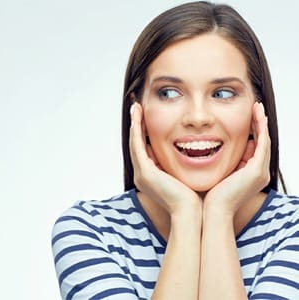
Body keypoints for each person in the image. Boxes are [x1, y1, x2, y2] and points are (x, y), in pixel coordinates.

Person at [52, 1, 299, 299]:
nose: (197, 117)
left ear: (256, 110)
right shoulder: (90, 230)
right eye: (169, 93)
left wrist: (219, 213)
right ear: (138, 110)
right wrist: (185, 214)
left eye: (222, 93)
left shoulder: (293, 229)